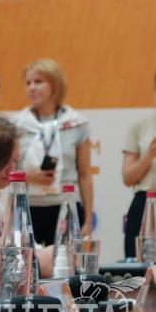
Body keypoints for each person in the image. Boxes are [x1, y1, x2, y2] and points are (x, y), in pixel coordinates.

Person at [12, 58, 93, 244]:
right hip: (27, 207)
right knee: (28, 260)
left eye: (38, 81)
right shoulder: (16, 124)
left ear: (55, 85)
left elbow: (85, 174)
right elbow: (7, 170)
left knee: (66, 261)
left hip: (66, 206)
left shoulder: (77, 122)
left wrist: (88, 220)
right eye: (28, 83)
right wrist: (29, 177)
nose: (32, 88)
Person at [122, 72, 156, 258]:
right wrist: (149, 154)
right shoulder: (140, 126)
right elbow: (128, 177)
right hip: (146, 204)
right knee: (139, 268)